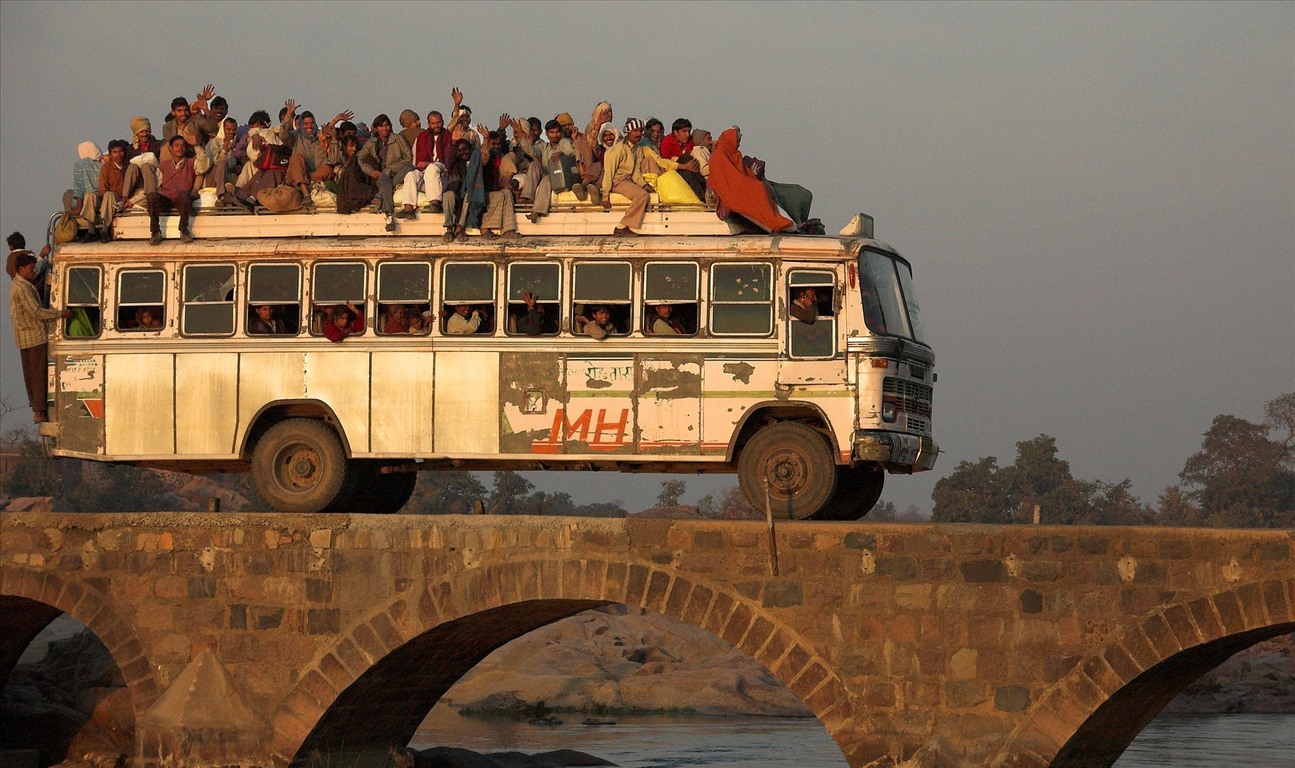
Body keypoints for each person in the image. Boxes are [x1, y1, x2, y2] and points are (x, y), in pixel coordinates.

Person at [10, 253, 71, 422]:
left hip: (25, 337)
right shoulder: (23, 288)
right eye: (31, 268)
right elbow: (36, 312)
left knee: (31, 375)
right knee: (38, 375)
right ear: (22, 269)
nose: (33, 271)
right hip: (35, 336)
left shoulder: (18, 284)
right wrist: (60, 314)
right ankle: (39, 410)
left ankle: (37, 410)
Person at [707, 127, 794, 234]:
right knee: (757, 190)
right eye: (737, 141)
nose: (738, 144)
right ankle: (774, 222)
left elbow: (742, 174)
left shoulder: (735, 154)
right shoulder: (718, 156)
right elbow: (722, 180)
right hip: (729, 190)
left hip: (739, 185)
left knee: (760, 188)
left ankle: (777, 221)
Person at [357, 113, 415, 232]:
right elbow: (360, 158)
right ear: (376, 128)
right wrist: (371, 171)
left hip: (397, 173)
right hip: (381, 176)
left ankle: (380, 195)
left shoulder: (397, 139)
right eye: (381, 126)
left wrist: (390, 169)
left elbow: (408, 159)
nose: (385, 128)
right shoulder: (372, 142)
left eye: (387, 125)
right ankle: (389, 216)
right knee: (385, 181)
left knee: (409, 167)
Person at [148, 134, 209, 245]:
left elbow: (204, 166)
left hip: (182, 199)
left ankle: (183, 230)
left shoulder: (191, 162)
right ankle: (155, 232)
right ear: (170, 148)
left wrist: (196, 146)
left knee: (184, 195)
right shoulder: (163, 165)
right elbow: (157, 182)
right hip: (166, 198)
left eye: (182, 146)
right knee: (152, 196)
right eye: (176, 145)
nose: (180, 148)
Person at [515, 117, 576, 223]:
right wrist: (521, 137)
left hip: (559, 177)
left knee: (547, 178)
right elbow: (531, 152)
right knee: (534, 164)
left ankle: (536, 211)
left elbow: (570, 152)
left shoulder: (563, 142)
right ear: (547, 134)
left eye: (557, 132)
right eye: (551, 132)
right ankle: (527, 198)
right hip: (546, 174)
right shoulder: (544, 147)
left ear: (561, 133)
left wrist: (560, 153)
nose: (555, 135)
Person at [600, 118, 652, 236]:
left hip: (629, 180)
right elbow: (609, 173)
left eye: (640, 131)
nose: (638, 134)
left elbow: (636, 173)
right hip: (617, 181)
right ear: (628, 132)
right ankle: (622, 226)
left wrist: (644, 185)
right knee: (642, 195)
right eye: (635, 131)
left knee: (646, 192)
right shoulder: (617, 149)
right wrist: (605, 196)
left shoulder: (637, 149)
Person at [476, 124, 519, 239]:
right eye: (493, 144)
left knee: (507, 193)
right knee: (500, 195)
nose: (496, 146)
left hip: (494, 190)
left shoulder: (499, 156)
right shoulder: (484, 154)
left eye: (498, 144)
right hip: (481, 192)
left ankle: (508, 229)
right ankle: (485, 228)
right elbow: (483, 159)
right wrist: (485, 140)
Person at [122, 116, 162, 209]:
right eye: (141, 132)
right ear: (136, 133)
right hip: (138, 185)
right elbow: (125, 169)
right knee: (132, 167)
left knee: (146, 166)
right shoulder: (131, 149)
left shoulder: (158, 145)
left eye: (146, 131)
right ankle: (124, 196)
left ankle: (150, 196)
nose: (144, 134)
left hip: (154, 182)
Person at [336, 135, 377, 215]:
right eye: (351, 146)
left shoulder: (359, 160)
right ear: (344, 147)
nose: (354, 149)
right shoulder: (339, 160)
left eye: (355, 146)